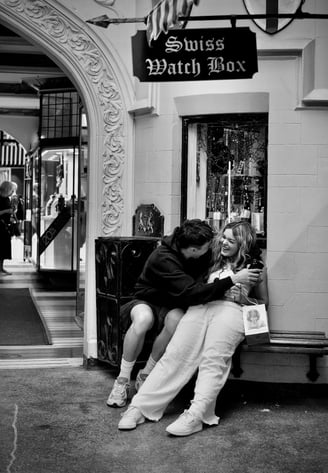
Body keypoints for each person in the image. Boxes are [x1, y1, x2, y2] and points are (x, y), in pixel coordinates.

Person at [117, 221, 268, 436]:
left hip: (231, 311)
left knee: (213, 359)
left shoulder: (255, 268)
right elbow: (194, 288)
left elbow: (263, 303)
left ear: (243, 243)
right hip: (200, 308)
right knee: (175, 354)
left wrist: (244, 298)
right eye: (223, 237)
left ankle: (195, 415)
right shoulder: (212, 259)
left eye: (231, 240)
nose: (223, 242)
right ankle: (140, 407)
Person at [0, 181, 17, 275]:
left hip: (5, 226)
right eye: (12, 190)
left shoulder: (7, 198)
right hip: (0, 226)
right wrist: (7, 210)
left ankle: (1, 268)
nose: (12, 192)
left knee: (4, 249)